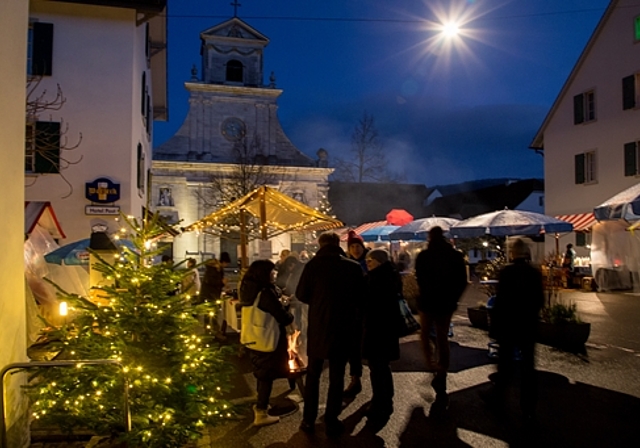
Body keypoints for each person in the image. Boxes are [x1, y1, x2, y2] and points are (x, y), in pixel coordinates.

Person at [295, 232, 365, 437]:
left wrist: (318, 302)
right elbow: (362, 297)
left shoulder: (312, 266)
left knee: (314, 376)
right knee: (337, 376)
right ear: (338, 244)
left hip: (319, 327)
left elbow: (301, 294)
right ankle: (332, 419)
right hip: (344, 328)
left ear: (320, 244)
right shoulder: (352, 267)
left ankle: (308, 420)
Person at [485, 238, 544, 422]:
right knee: (528, 366)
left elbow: (501, 301)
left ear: (513, 253)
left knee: (505, 364)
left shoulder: (507, 272)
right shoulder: (534, 273)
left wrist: (495, 326)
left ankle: (498, 398)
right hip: (527, 325)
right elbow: (540, 300)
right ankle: (528, 406)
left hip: (509, 325)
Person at [414, 226, 467, 412]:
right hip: (446, 302)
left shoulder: (424, 256)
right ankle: (442, 370)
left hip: (428, 301)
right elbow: (462, 280)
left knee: (424, 334)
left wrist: (424, 292)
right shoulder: (455, 256)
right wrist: (454, 299)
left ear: (430, 237)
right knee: (442, 337)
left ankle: (431, 363)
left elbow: (419, 278)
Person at [239, 259, 294, 427]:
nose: (274, 274)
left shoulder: (248, 288)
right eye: (272, 271)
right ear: (264, 273)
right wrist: (287, 309)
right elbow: (282, 317)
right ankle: (261, 412)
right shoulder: (265, 292)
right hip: (266, 338)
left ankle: (261, 404)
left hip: (252, 337)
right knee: (266, 376)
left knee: (260, 372)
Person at [362, 249, 401, 431]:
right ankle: (385, 398)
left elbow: (370, 304)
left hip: (377, 328)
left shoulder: (376, 279)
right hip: (387, 328)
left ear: (378, 261)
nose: (368, 263)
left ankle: (380, 402)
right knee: (382, 366)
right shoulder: (390, 275)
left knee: (377, 367)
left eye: (370, 260)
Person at [343, 230, 369, 399]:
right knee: (354, 348)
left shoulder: (370, 262)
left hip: (370, 312)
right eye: (352, 246)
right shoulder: (346, 264)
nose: (355, 249)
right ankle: (355, 379)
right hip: (353, 313)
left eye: (357, 246)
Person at [199, 252, 231, 334]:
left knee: (212, 313)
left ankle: (212, 330)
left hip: (213, 294)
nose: (226, 266)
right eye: (226, 264)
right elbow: (210, 282)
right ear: (224, 262)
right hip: (209, 295)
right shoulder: (213, 269)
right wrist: (222, 283)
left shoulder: (218, 269)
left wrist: (224, 285)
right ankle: (210, 331)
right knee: (210, 313)